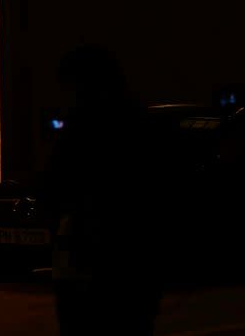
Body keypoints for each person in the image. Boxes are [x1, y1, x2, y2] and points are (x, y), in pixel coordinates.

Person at [48, 45, 164, 336]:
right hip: (131, 268)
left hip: (93, 266)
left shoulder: (82, 130)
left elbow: (54, 187)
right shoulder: (141, 124)